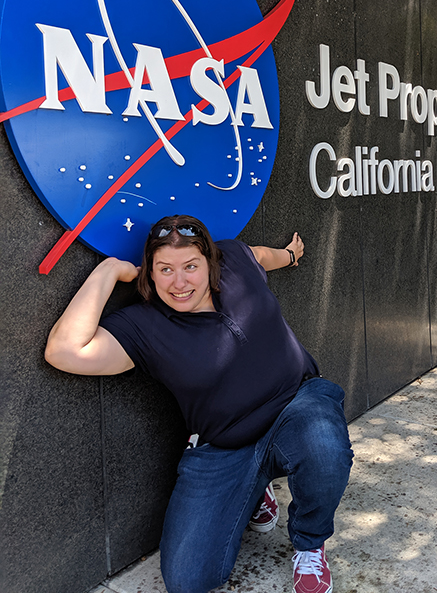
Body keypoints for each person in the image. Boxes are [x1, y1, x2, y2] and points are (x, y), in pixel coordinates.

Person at [45, 214, 353, 593]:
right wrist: (107, 271)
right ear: (150, 273)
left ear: (210, 261)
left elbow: (259, 255)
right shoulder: (143, 326)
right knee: (188, 579)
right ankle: (253, 489)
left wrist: (289, 256)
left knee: (323, 443)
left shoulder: (236, 260)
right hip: (225, 444)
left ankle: (309, 543)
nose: (179, 282)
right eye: (165, 269)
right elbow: (64, 351)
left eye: (190, 266)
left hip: (297, 402)